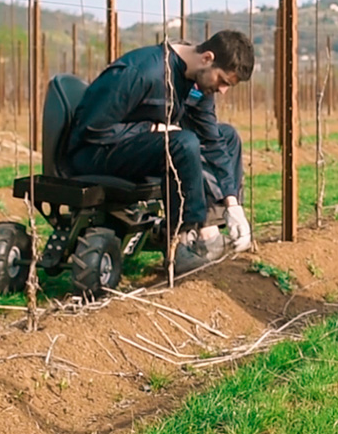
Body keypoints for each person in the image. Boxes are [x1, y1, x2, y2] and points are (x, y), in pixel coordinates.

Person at [66, 30, 255, 274]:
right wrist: (152, 128)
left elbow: (213, 141)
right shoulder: (143, 72)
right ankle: (183, 240)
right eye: (223, 81)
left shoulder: (197, 85)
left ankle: (211, 226)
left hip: (138, 151)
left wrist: (232, 203)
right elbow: (93, 129)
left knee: (226, 136)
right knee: (181, 143)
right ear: (207, 58)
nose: (223, 90)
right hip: (95, 153)